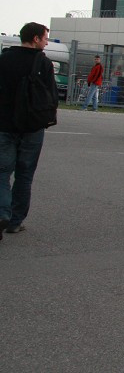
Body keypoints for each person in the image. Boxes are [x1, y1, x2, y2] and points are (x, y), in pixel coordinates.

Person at [0, 22, 58, 239]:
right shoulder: (43, 63)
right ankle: (15, 221)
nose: (46, 42)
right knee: (25, 175)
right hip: (32, 126)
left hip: (4, 125)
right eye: (44, 38)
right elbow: (51, 96)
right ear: (35, 39)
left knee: (2, 173)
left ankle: (1, 213)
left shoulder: (4, 59)